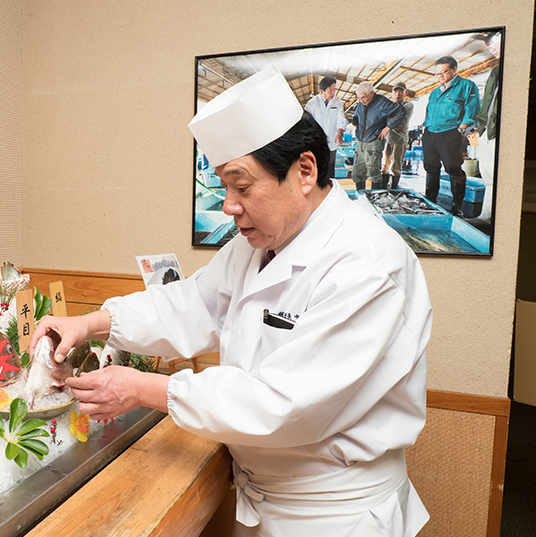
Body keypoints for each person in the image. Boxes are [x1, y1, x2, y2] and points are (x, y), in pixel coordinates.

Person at [30, 66, 432, 536]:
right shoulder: (256, 244)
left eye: (242, 187)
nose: (229, 205)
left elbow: (282, 403)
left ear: (305, 171)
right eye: (224, 186)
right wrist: (92, 323)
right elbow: (191, 304)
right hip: (263, 500)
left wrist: (142, 389)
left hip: (334, 515)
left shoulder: (367, 262)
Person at [422, 56, 480, 217]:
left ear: (454, 69)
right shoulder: (434, 92)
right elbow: (428, 111)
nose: (440, 75)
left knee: (452, 168)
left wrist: (461, 129)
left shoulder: (466, 86)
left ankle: (457, 205)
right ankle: (430, 201)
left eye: (444, 72)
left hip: (450, 133)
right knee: (431, 168)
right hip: (430, 133)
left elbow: (472, 108)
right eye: (437, 73)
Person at [350, 81, 404, 190]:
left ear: (371, 93)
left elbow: (400, 111)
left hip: (374, 141)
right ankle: (361, 196)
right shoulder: (361, 102)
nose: (361, 100)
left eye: (363, 97)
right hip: (361, 141)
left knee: (373, 172)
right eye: (359, 98)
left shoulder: (382, 102)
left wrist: (388, 127)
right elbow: (356, 114)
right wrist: (355, 122)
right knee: (357, 172)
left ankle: (376, 196)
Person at [475, 32, 502, 221]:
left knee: (497, 174)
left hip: (498, 128)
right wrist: (481, 127)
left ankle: (493, 218)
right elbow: (487, 102)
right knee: (488, 175)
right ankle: (485, 217)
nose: (492, 48)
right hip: (487, 129)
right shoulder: (495, 71)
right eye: (489, 46)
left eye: (495, 43)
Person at [304, 76, 348, 181]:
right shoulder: (312, 103)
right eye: (330, 90)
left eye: (334, 89)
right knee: (318, 168)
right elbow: (307, 123)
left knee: (330, 168)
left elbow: (341, 118)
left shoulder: (337, 101)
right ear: (322, 91)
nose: (333, 92)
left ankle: (329, 187)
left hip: (332, 141)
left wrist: (339, 134)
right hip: (317, 142)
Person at [380, 82, 414, 189]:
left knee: (395, 167)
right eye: (395, 91)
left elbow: (401, 125)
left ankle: (393, 189)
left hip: (400, 140)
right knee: (384, 165)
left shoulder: (408, 105)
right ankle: (383, 188)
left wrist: (386, 123)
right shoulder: (388, 105)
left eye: (400, 91)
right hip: (387, 139)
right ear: (392, 93)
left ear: (405, 92)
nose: (398, 94)